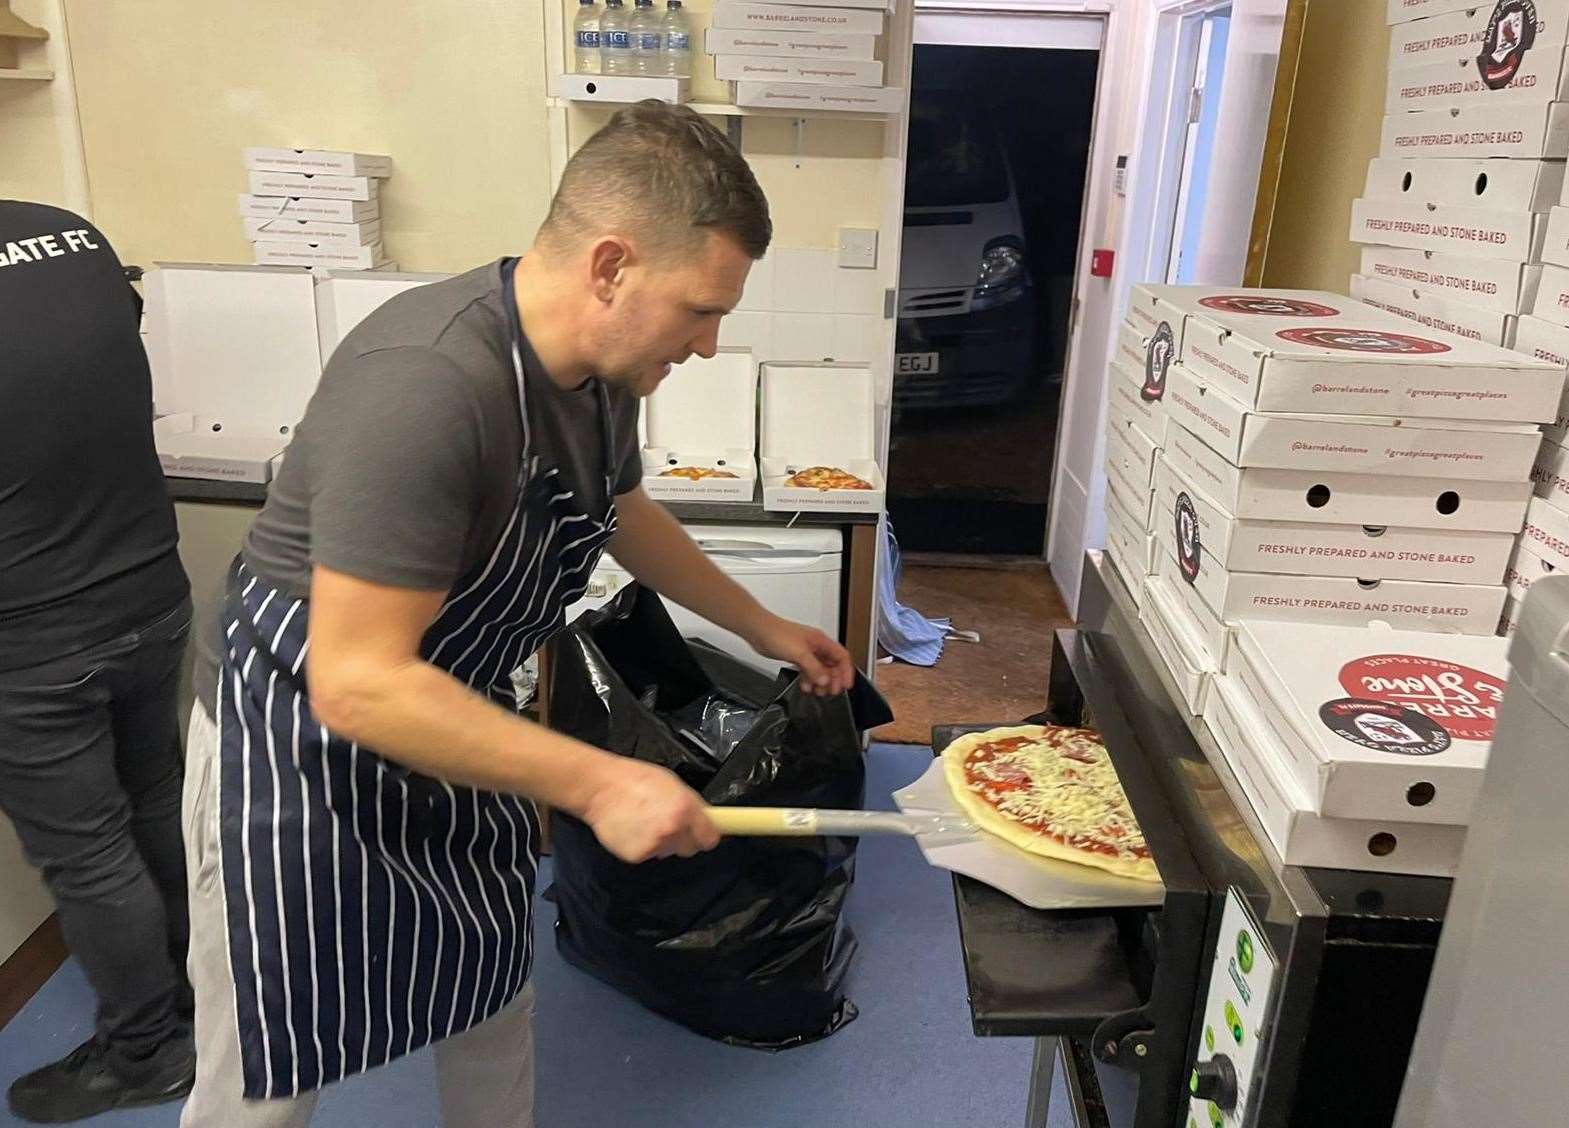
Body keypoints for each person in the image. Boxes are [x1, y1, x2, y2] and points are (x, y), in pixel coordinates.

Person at [180, 101, 856, 1127]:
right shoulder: (427, 390)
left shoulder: (597, 373)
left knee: (491, 992)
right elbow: (358, 681)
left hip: (449, 723)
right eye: (699, 309)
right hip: (299, 752)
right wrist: (599, 779)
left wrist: (761, 624)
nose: (711, 345)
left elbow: (616, 506)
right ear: (611, 265)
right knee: (268, 1065)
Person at [0, 200, 196, 1121]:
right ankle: (200, 994)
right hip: (148, 588)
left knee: (88, 856)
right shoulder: (68, 232)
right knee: (155, 797)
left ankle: (147, 1049)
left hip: (32, 636)